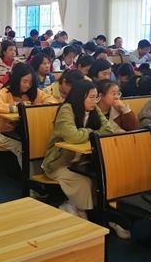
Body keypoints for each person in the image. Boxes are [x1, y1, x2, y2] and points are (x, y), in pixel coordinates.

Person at [42, 80, 113, 219]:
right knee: (84, 182)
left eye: (96, 97)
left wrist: (87, 133)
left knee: (104, 178)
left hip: (82, 161)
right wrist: (90, 132)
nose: (95, 101)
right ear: (80, 96)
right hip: (59, 162)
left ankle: (90, 210)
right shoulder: (67, 109)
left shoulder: (94, 108)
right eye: (91, 97)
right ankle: (79, 210)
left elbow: (108, 130)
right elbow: (72, 136)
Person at [0, 63, 58, 166]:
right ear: (17, 79)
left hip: (28, 133)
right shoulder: (6, 92)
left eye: (30, 82)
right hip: (5, 133)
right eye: (25, 81)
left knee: (42, 144)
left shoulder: (34, 92)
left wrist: (38, 107)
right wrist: (17, 107)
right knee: (24, 148)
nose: (27, 85)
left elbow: (53, 101)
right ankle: (28, 173)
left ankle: (42, 170)